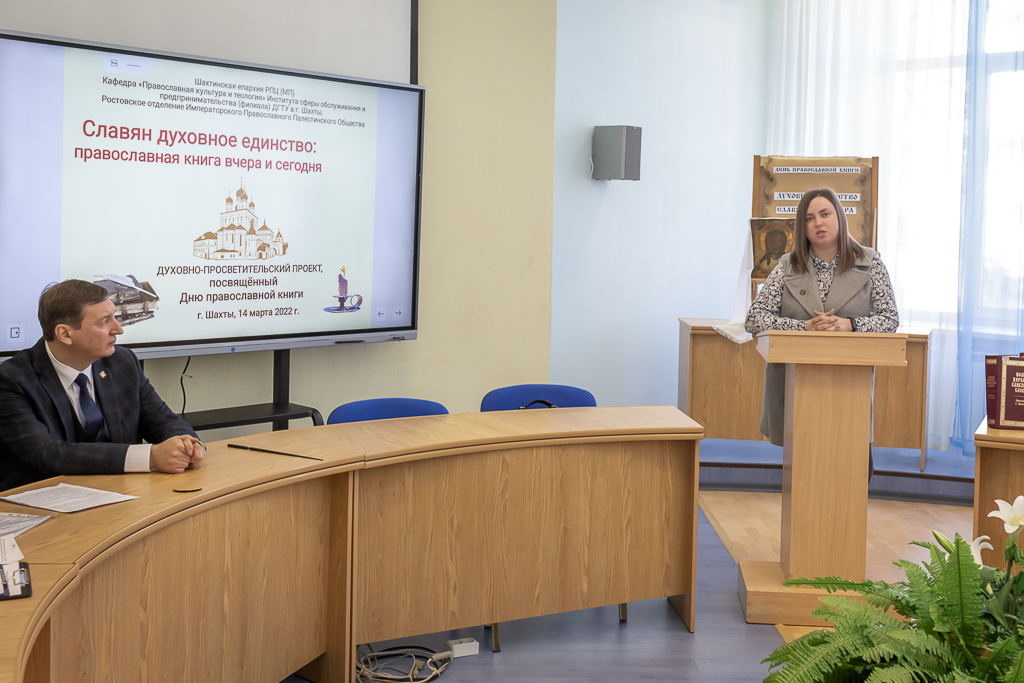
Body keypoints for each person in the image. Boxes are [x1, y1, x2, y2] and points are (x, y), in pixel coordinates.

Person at [0, 280, 204, 491]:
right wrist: (150, 457)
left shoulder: (122, 362)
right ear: (65, 334)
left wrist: (188, 445)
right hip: (41, 499)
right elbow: (47, 454)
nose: (118, 329)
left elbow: (162, 420)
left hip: (121, 493)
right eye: (104, 321)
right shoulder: (12, 380)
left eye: (115, 317)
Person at [744, 188, 899, 450]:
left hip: (850, 383)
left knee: (848, 452)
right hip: (795, 382)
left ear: (839, 216)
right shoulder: (787, 265)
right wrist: (803, 327)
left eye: (825, 214)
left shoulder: (870, 262)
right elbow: (754, 319)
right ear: (802, 227)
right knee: (803, 456)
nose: (818, 223)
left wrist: (850, 325)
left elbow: (890, 320)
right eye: (809, 218)